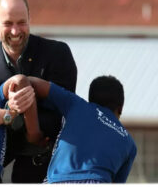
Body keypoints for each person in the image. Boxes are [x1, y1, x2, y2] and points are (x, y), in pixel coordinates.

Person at [0, 0, 77, 183]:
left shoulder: (58, 54)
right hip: (17, 172)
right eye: (8, 23)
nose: (16, 31)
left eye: (21, 22)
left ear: (30, 18)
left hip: (62, 167)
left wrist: (5, 115)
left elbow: (63, 112)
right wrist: (9, 114)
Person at [9, 75, 137, 183]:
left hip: (59, 180)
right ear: (120, 108)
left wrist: (33, 133)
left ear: (90, 99)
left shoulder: (77, 105)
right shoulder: (129, 143)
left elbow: (27, 81)